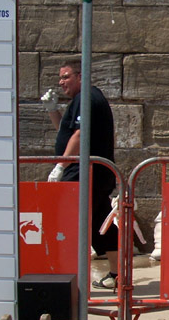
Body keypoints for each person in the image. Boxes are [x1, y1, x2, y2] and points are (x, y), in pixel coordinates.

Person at [41, 60, 119, 289]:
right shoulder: (80, 101)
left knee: (73, 224)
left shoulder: (88, 98)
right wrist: (53, 111)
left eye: (66, 77)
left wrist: (61, 166)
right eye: (60, 78)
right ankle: (117, 275)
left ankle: (69, 278)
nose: (61, 82)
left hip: (85, 173)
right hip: (91, 173)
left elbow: (79, 136)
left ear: (80, 76)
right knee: (100, 224)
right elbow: (66, 134)